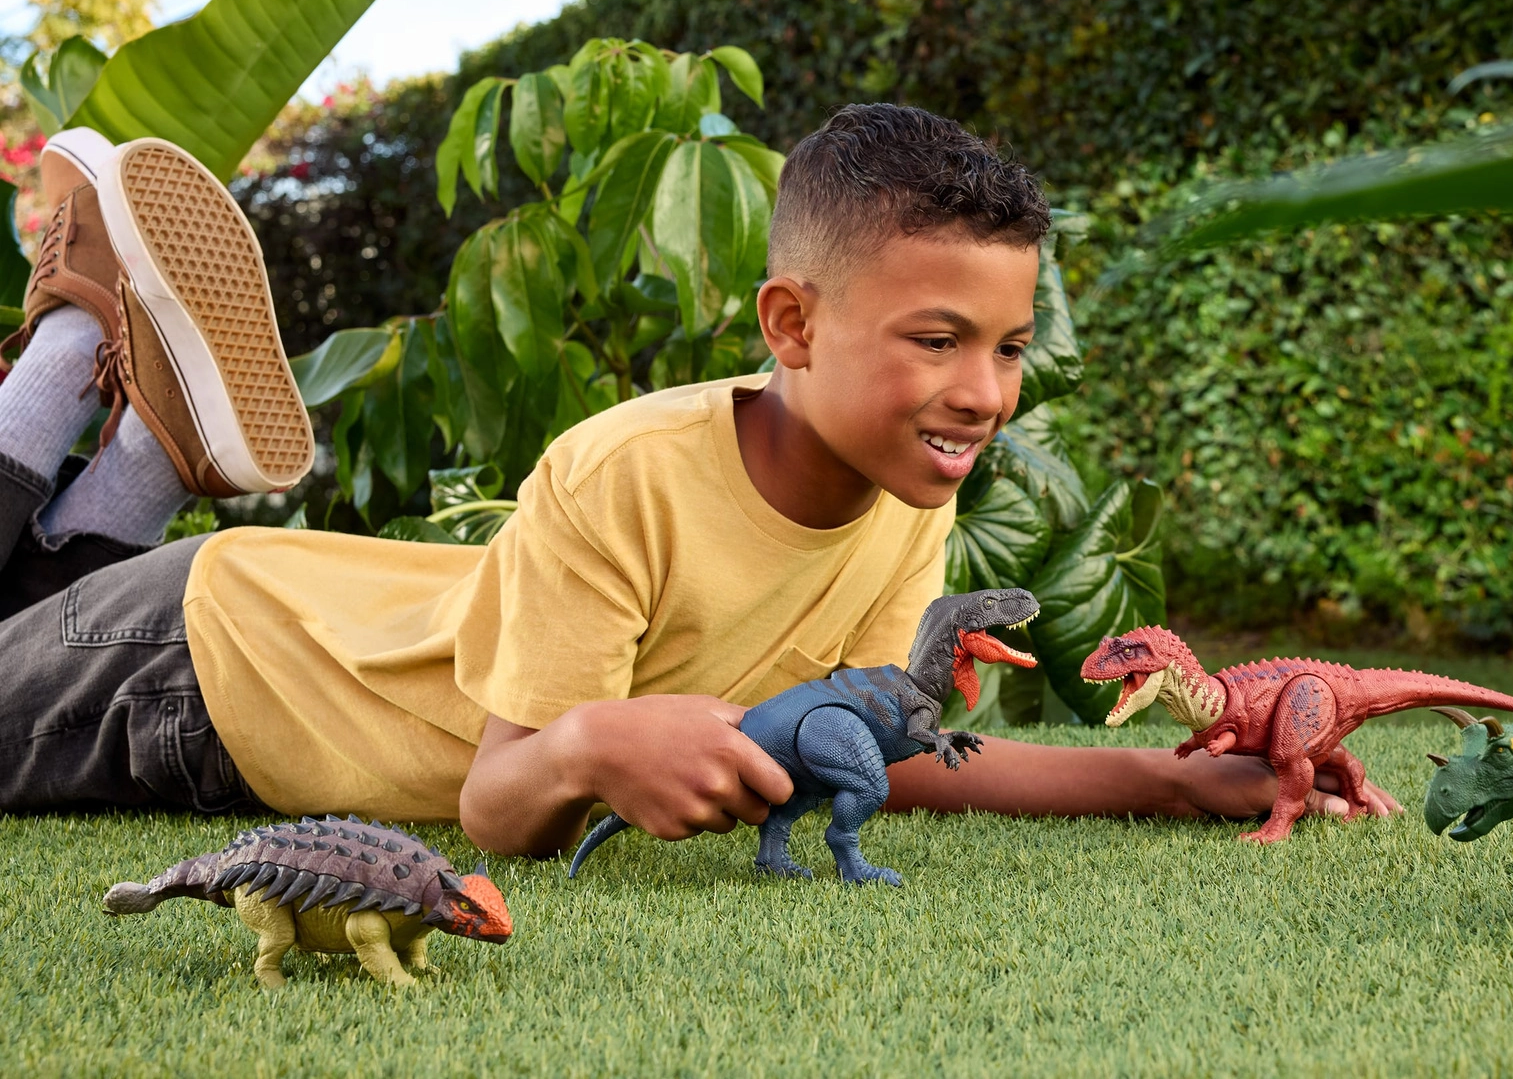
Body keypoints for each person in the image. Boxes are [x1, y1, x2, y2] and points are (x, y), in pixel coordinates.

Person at [0, 104, 1398, 852]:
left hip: (253, 634)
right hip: (210, 665)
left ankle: (136, 440)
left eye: (1010, 345)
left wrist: (1169, 782)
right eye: (937, 340)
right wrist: (591, 748)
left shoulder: (911, 489)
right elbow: (499, 801)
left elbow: (884, 750)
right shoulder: (627, 472)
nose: (985, 390)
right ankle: (73, 353)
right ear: (792, 326)